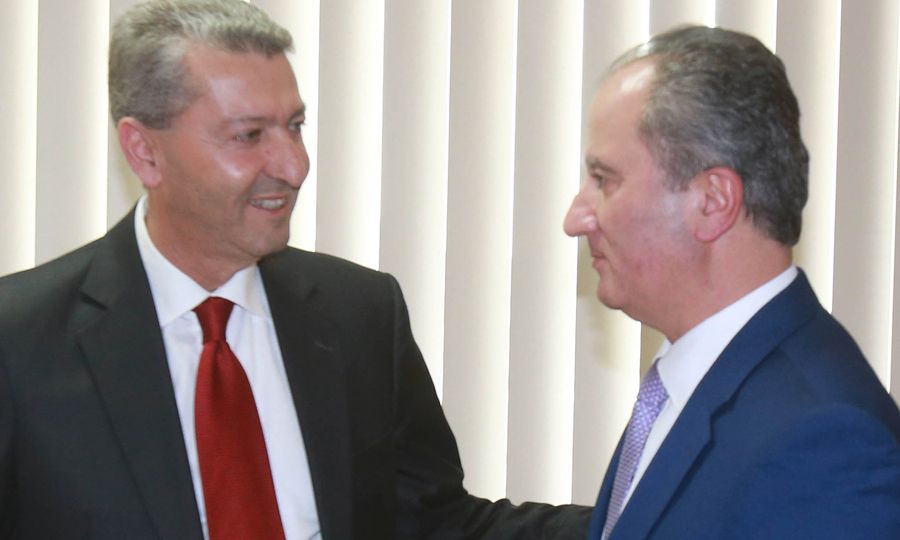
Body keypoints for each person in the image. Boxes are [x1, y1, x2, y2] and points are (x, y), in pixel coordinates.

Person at [0, 1, 589, 538]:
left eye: (295, 127)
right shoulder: (19, 342)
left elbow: (436, 524)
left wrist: (629, 519)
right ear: (144, 151)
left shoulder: (359, 314)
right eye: (248, 135)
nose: (293, 165)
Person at [564, 25, 900, 540]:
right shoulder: (690, 380)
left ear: (713, 201)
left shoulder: (826, 445)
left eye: (604, 180)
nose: (575, 218)